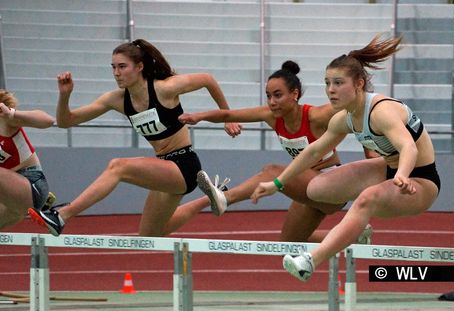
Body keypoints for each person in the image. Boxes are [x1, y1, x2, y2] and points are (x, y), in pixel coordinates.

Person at [250, 34, 441, 281]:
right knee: (316, 188)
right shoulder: (345, 117)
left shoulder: (381, 111)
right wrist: (276, 184)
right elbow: (313, 151)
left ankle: (311, 260)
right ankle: (356, 228)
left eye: (338, 83)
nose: (331, 90)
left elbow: (409, 148)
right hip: (388, 169)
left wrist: (403, 175)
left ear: (359, 84)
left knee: (366, 199)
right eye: (327, 83)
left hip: (420, 179)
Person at [28, 38, 239, 237]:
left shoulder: (164, 88)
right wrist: (65, 96)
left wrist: (227, 118)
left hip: (184, 165)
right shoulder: (117, 100)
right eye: (113, 67)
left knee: (119, 166)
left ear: (139, 67)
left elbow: (207, 80)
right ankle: (212, 196)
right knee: (149, 235)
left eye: (122, 66)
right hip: (164, 168)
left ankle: (63, 214)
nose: (116, 73)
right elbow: (66, 122)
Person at [172, 60, 373, 243]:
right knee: (288, 244)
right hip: (306, 186)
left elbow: (359, 110)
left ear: (294, 94)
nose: (272, 102)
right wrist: (199, 116)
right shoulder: (271, 116)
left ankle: (225, 198)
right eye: (268, 96)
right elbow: (228, 113)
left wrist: (370, 149)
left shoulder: (317, 116)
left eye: (278, 95)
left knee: (273, 171)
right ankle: (354, 235)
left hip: (331, 187)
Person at [0, 89, 55, 230]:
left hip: (31, 186)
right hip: (9, 201)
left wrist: (12, 114)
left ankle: (42, 202)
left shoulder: (5, 120)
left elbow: (48, 120)